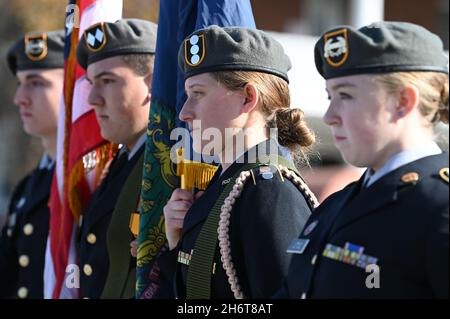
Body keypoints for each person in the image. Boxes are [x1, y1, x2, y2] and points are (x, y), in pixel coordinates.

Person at [278, 21, 449, 299]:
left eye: (345, 95)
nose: (329, 115)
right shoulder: (336, 205)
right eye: (330, 96)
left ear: (403, 102)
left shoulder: (440, 206)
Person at [160, 25, 318, 299]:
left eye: (198, 93)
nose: (184, 112)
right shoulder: (229, 185)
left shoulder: (269, 190)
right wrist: (178, 243)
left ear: (247, 98)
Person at [75, 18, 157, 299]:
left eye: (108, 81)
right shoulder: (123, 160)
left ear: (153, 83)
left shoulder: (167, 167)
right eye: (91, 83)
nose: (93, 99)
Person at [0, 30, 65, 299]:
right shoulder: (29, 186)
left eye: (37, 83)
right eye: (20, 83)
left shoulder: (92, 177)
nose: (20, 98)